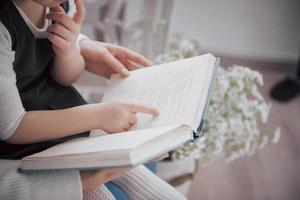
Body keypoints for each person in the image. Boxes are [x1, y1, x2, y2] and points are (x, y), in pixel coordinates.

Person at [0, 0, 187, 199]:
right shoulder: (5, 26)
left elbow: (64, 77)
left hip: (59, 108)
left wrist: (69, 49)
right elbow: (11, 127)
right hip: (27, 140)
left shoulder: (60, 5)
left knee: (131, 171)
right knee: (96, 187)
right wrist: (97, 116)